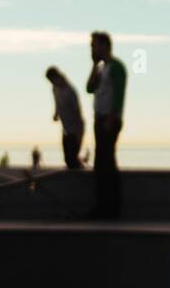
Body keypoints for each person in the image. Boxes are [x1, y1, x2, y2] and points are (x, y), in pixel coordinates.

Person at [85, 31, 127, 218]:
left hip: (109, 120)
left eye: (94, 45)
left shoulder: (116, 67)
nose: (92, 49)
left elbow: (118, 95)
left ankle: (110, 208)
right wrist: (94, 64)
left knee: (106, 163)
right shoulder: (101, 68)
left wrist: (112, 118)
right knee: (101, 163)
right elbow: (89, 88)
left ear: (104, 45)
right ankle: (102, 206)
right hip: (99, 119)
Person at [46, 66, 86, 169]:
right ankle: (79, 167)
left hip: (75, 129)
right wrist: (56, 114)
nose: (52, 83)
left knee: (72, 158)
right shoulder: (55, 89)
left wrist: (79, 134)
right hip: (66, 129)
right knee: (68, 159)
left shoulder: (70, 91)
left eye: (52, 80)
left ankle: (80, 171)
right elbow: (57, 104)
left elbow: (78, 114)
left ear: (58, 77)